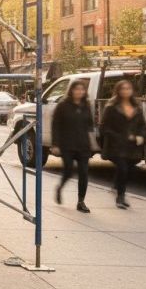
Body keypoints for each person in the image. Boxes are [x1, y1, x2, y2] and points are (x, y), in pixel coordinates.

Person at [100, 79, 146, 209]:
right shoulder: (111, 107)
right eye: (123, 88)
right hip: (116, 145)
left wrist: (141, 136)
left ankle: (116, 186)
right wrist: (121, 136)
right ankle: (120, 197)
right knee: (123, 168)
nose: (126, 91)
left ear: (132, 91)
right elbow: (103, 128)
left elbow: (142, 125)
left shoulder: (137, 106)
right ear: (118, 90)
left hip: (132, 146)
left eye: (128, 88)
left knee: (129, 170)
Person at [51, 80, 94, 213]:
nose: (79, 92)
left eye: (82, 89)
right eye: (77, 89)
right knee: (68, 170)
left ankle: (81, 201)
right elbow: (56, 125)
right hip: (67, 144)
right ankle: (60, 188)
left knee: (84, 173)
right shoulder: (63, 105)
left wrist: (91, 141)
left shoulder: (86, 105)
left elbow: (90, 125)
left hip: (83, 145)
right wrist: (55, 144)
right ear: (71, 90)